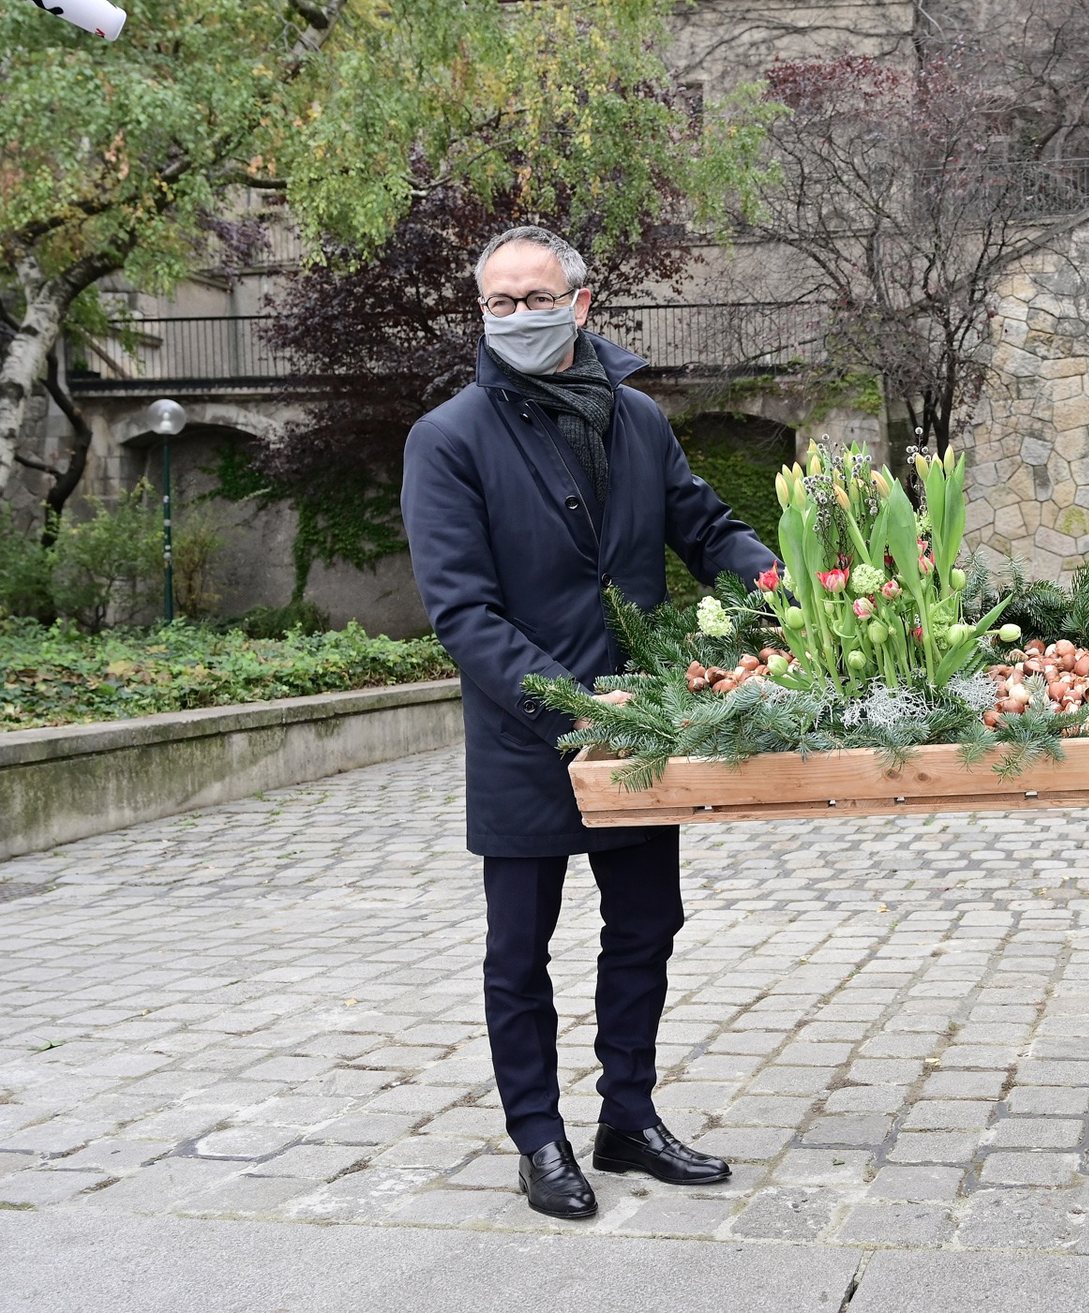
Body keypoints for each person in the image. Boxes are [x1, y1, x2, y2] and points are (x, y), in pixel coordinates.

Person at [401, 226, 777, 1217]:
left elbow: (704, 526)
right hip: (531, 735)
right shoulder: (448, 439)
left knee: (648, 922)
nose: (518, 316)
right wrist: (568, 700)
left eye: (536, 296)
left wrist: (789, 583)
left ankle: (629, 1117)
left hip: (645, 730)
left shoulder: (640, 417)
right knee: (520, 951)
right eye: (499, 303)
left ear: (580, 301)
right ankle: (540, 1138)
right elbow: (463, 613)